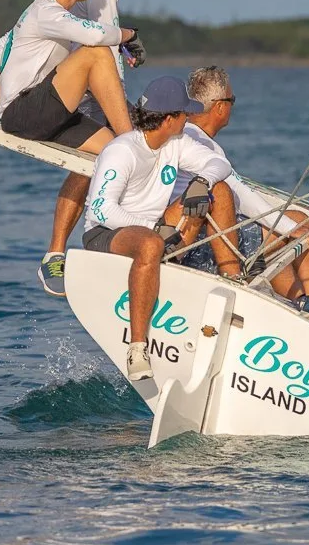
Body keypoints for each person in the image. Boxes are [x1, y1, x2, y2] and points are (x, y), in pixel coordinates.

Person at [0, 0, 137, 295]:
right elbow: (94, 36)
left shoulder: (59, 16)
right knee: (97, 54)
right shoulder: (47, 11)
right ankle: (138, 148)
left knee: (107, 157)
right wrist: (127, 35)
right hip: (27, 111)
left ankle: (54, 256)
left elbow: (4, 43)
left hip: (47, 110)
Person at [166, 66, 309, 324]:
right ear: (220, 107)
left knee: (265, 233)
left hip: (183, 234)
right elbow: (240, 193)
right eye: (232, 101)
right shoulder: (202, 146)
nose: (233, 106)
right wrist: (292, 229)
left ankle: (299, 300)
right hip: (198, 247)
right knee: (300, 223)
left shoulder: (180, 133)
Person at [81, 77, 232, 381]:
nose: (189, 118)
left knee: (220, 191)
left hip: (155, 226)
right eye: (183, 113)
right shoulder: (122, 150)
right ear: (168, 119)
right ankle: (138, 348)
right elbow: (100, 210)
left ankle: (232, 276)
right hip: (107, 231)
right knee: (150, 244)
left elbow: (219, 165)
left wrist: (202, 183)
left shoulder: (175, 143)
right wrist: (153, 227)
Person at [35, 0, 146, 294]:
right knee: (132, 155)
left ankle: (57, 254)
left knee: (91, 162)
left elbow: (95, 26)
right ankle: (118, 246)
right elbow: (100, 33)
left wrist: (126, 44)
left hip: (62, 84)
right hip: (92, 87)